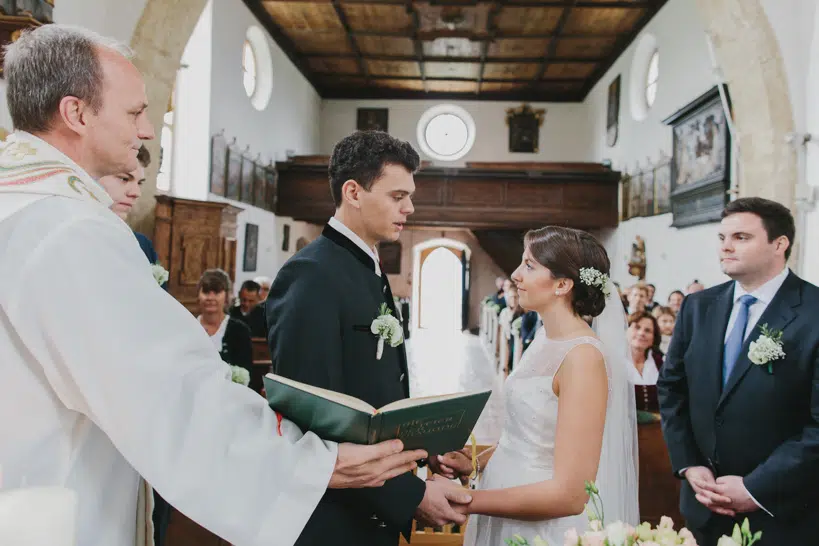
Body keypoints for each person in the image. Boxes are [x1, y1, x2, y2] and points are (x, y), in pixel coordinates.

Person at [0, 25, 425, 546]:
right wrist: (313, 464)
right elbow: (172, 393)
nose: (149, 131)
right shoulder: (68, 229)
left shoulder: (19, 208)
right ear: (76, 113)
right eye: (135, 112)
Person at [266, 130, 472, 546]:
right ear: (353, 192)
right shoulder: (313, 275)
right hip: (334, 520)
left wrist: (420, 448)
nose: (409, 207)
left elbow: (371, 394)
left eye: (409, 195)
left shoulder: (366, 270)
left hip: (368, 512)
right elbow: (316, 418)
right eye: (398, 196)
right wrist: (410, 494)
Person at [433, 226, 639, 545]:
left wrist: (465, 500)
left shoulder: (583, 357)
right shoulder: (545, 337)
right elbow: (535, 440)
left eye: (529, 265)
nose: (516, 275)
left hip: (539, 522)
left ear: (562, 284)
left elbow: (571, 495)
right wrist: (477, 460)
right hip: (504, 496)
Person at [658, 197, 819, 545]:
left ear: (780, 244)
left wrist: (756, 486)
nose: (726, 247)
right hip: (703, 506)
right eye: (721, 238)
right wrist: (689, 464)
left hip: (783, 512)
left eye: (741, 237)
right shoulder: (698, 307)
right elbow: (672, 389)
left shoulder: (814, 313)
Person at [197, 269, 254, 385]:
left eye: (216, 292)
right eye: (206, 292)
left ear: (227, 296)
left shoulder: (240, 331)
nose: (210, 298)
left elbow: (245, 373)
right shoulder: (188, 327)